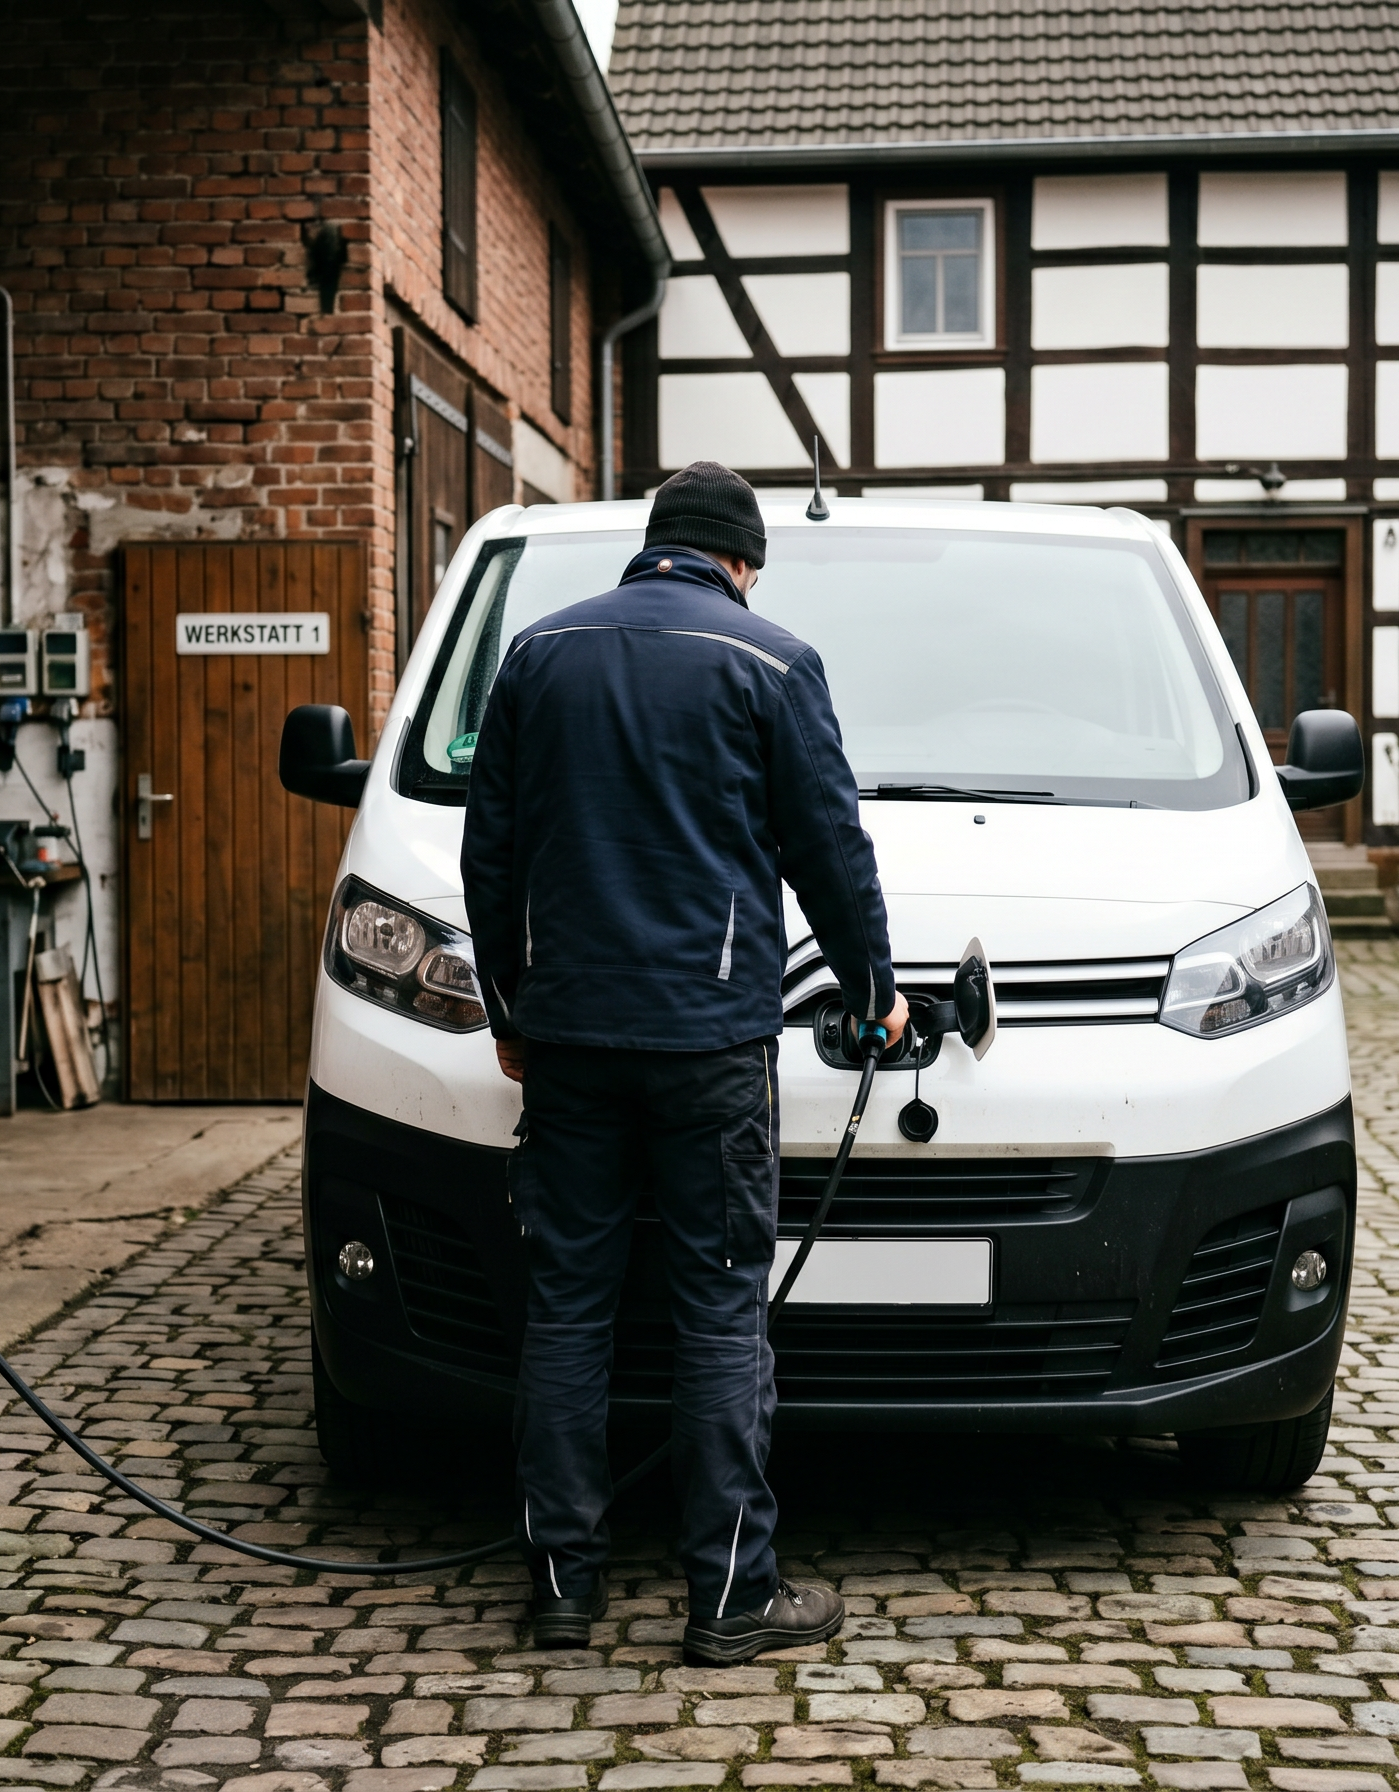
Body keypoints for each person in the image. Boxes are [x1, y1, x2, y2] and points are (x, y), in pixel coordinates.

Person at [459, 461, 908, 1664]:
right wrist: (876, 994)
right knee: (718, 1309)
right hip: (710, 1046)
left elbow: (488, 856)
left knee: (569, 1306)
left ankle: (561, 1585)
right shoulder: (773, 663)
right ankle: (730, 1597)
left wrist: (511, 1006)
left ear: (655, 543)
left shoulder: (538, 655)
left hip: (568, 1040)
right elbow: (830, 851)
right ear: (741, 561)